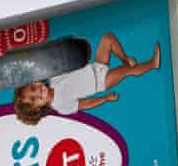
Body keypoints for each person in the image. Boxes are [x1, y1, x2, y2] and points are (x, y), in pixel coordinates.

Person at [13, 32, 160, 126]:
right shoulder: (61, 106)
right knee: (128, 71)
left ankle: (125, 59)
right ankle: (152, 64)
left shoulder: (52, 77)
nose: (38, 92)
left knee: (108, 38)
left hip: (96, 68)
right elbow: (86, 104)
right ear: (39, 108)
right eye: (35, 99)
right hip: (100, 82)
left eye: (33, 88)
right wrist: (105, 98)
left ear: (35, 82)